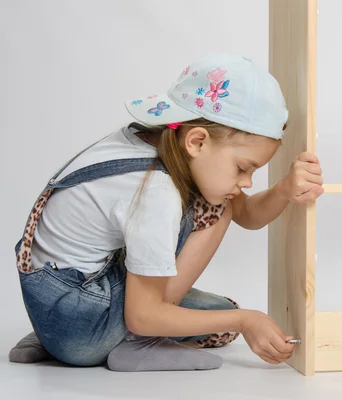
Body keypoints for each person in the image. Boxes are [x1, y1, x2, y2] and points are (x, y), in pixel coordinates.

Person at [9, 54, 324, 372]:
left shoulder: (148, 139)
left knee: (217, 311)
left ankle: (52, 341)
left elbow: (248, 215)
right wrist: (245, 321)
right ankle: (139, 344)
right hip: (84, 330)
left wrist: (284, 190)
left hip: (54, 308)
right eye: (243, 168)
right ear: (197, 141)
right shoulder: (156, 193)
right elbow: (142, 315)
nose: (246, 182)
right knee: (219, 213)